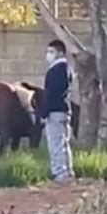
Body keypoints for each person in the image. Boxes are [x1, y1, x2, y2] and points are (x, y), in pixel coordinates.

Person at [42, 39, 75, 184]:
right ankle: (68, 171)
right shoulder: (67, 69)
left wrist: (44, 112)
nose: (48, 55)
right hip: (65, 110)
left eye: (52, 52)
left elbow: (51, 94)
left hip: (54, 111)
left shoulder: (55, 70)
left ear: (60, 53)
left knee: (55, 143)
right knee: (64, 143)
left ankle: (60, 174)